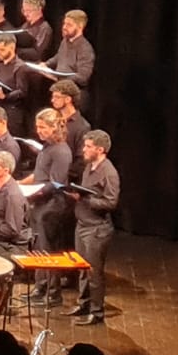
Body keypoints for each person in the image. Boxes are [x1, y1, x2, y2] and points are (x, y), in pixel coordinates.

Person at [22, 108, 74, 307]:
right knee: (37, 247)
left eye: (43, 127)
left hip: (52, 206)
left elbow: (57, 182)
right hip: (39, 203)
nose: (39, 131)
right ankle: (40, 287)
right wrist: (20, 184)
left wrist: (34, 192)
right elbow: (39, 174)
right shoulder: (47, 147)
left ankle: (53, 293)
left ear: (54, 128)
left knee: (49, 250)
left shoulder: (61, 151)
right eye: (37, 127)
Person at [68, 130, 119, 326]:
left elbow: (111, 202)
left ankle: (97, 313)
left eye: (88, 146)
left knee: (94, 272)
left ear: (100, 149)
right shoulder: (89, 167)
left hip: (97, 229)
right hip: (82, 225)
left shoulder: (109, 172)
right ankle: (84, 304)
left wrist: (88, 200)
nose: (84, 150)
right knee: (82, 268)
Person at [46, 10, 96, 111]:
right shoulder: (65, 41)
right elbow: (58, 57)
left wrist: (62, 79)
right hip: (59, 93)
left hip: (74, 98)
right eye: (64, 23)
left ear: (80, 26)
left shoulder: (85, 49)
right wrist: (45, 65)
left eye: (69, 24)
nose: (64, 27)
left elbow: (83, 77)